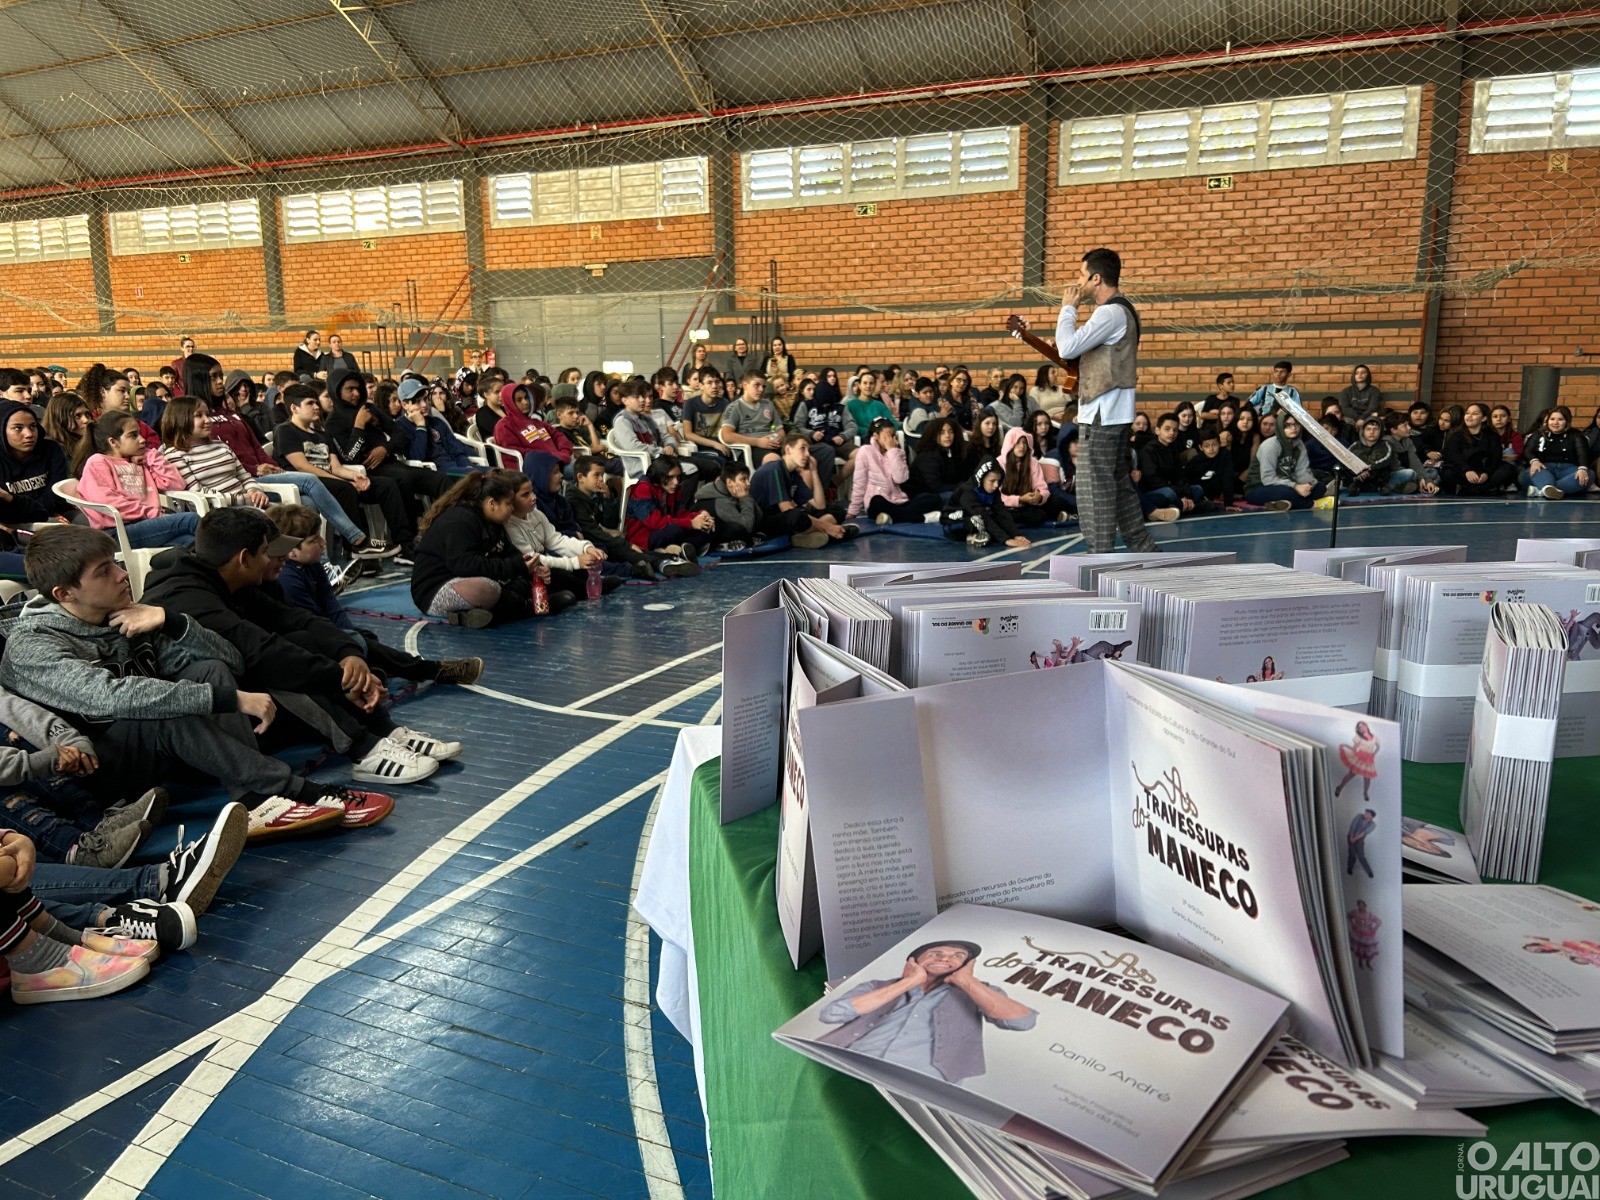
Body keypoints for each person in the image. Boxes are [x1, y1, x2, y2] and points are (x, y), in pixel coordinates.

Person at [0, 525, 380, 835]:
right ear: (64, 593)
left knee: (207, 672)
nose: (121, 574)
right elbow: (112, 697)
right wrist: (230, 700)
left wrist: (172, 621)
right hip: (89, 771)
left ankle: (253, 799)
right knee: (163, 711)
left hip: (157, 754)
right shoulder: (33, 644)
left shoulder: (123, 614)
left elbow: (228, 660)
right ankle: (287, 791)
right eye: (103, 572)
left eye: (115, 563)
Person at [141, 507, 448, 789]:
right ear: (244, 558)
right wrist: (343, 679)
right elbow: (262, 653)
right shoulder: (189, 598)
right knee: (275, 667)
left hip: (243, 706)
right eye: (265, 552)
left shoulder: (225, 579)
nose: (271, 558)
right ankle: (364, 749)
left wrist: (348, 654)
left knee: (301, 644)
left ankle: (384, 728)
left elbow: (295, 618)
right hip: (201, 734)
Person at [266, 503, 482, 686]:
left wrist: (349, 635)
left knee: (366, 639)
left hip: (320, 630)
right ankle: (432, 670)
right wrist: (347, 642)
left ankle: (375, 671)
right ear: (291, 550)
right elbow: (313, 624)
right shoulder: (287, 579)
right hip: (307, 642)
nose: (323, 544)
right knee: (364, 644)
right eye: (314, 541)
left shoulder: (311, 565)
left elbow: (331, 605)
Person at [1052, 247, 1159, 553]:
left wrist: (1067, 309)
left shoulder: (1109, 312)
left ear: (1096, 278)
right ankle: (1142, 548)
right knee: (1120, 486)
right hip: (1116, 415)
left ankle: (1100, 555)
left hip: (1101, 416)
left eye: (1081, 276)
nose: (1077, 283)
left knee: (1092, 490)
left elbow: (1066, 347)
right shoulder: (1124, 309)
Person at [817, 939, 1037, 1084]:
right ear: (914, 961)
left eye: (957, 955)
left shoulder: (979, 992)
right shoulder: (876, 986)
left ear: (966, 964)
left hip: (921, 1083)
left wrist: (968, 981)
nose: (945, 958)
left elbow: (1023, 1022)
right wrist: (909, 981)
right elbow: (830, 1014)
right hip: (849, 1066)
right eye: (936, 953)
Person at [322, 367, 450, 545]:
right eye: (349, 389)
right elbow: (350, 457)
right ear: (336, 391)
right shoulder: (333, 422)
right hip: (368, 471)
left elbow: (400, 434)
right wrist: (359, 426)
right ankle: (408, 542)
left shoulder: (368, 408)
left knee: (441, 480)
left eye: (358, 388)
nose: (356, 393)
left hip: (391, 463)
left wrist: (385, 448)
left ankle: (449, 531)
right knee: (403, 480)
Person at [410, 470, 546, 627]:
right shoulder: (460, 521)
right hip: (435, 590)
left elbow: (508, 553)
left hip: (464, 578)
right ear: (492, 504)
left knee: (518, 582)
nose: (512, 509)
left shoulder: (494, 523)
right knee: (488, 588)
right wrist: (514, 568)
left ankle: (474, 615)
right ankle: (527, 608)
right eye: (509, 504)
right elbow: (466, 565)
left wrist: (529, 565)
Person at [506, 451, 620, 600]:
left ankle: (580, 588)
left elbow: (556, 540)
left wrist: (586, 547)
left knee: (580, 566)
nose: (533, 497)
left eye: (532, 492)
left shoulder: (536, 513)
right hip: (532, 571)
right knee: (559, 572)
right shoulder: (510, 525)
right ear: (511, 500)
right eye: (525, 495)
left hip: (544, 561)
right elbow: (533, 559)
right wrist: (574, 562)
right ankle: (583, 591)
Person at [76, 414, 200, 549]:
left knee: (190, 541)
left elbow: (176, 484)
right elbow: (108, 503)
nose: (142, 440)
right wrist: (152, 513)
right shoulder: (98, 462)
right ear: (113, 442)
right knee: (191, 520)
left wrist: (149, 455)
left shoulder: (140, 461)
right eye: (133, 435)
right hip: (117, 532)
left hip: (148, 524)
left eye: (140, 434)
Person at [564, 456, 697, 579]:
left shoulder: (596, 493)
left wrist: (608, 498)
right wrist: (624, 543)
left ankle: (671, 558)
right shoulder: (574, 500)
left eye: (602, 475)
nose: (601, 479)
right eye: (596, 475)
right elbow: (592, 531)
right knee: (624, 550)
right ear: (581, 477)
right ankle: (662, 562)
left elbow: (610, 523)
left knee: (626, 549)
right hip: (590, 543)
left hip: (601, 539)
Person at [749, 434, 856, 549]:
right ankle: (823, 532)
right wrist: (827, 527)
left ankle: (804, 534)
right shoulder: (774, 469)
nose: (808, 454)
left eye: (808, 450)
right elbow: (786, 509)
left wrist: (814, 471)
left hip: (787, 518)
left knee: (837, 510)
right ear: (788, 449)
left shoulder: (794, 474)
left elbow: (820, 505)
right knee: (796, 515)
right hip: (766, 523)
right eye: (802, 448)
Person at [849, 418, 941, 525]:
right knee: (876, 501)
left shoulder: (898, 452)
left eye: (893, 436)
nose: (890, 440)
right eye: (886, 436)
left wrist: (892, 451)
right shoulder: (865, 451)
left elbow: (900, 479)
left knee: (933, 498)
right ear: (875, 436)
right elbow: (859, 483)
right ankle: (922, 518)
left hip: (899, 502)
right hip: (879, 504)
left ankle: (893, 517)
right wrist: (853, 511)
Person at [0, 400, 75, 528]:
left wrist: (41, 511)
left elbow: (57, 496)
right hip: (17, 522)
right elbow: (4, 512)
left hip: (54, 512)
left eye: (33, 426)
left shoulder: (51, 449)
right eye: (18, 428)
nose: (29, 434)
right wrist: (39, 513)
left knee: (94, 523)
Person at [625, 457, 715, 556]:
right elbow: (655, 522)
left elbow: (680, 514)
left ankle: (678, 550)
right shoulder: (643, 489)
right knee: (675, 530)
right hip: (644, 536)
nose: (676, 482)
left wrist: (700, 516)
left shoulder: (672, 490)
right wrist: (691, 523)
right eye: (670, 477)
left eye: (678, 477)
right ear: (659, 476)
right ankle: (682, 550)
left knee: (706, 529)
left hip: (666, 528)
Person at [1244, 413, 1326, 511]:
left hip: (1287, 484)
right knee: (1288, 492)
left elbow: (1302, 471)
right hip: (1259, 488)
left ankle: (1280, 503)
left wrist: (1308, 485)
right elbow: (1268, 479)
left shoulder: (1299, 445)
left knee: (1320, 487)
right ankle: (1312, 504)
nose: (1293, 428)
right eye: (1288, 425)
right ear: (1280, 426)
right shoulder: (1270, 445)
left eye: (1296, 424)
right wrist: (1295, 486)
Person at [791, 375, 856, 494]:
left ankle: (835, 482)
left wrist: (843, 436)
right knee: (827, 450)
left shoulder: (841, 408)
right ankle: (821, 491)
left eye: (828, 404)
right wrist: (811, 433)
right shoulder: (806, 405)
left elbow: (852, 427)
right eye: (822, 404)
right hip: (815, 442)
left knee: (860, 454)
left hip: (838, 439)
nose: (825, 406)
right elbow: (797, 426)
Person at [397, 378, 477, 473]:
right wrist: (421, 427)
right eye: (417, 402)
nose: (424, 405)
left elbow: (456, 450)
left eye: (425, 399)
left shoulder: (436, 421)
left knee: (495, 473)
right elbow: (417, 458)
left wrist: (469, 466)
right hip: (437, 474)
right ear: (404, 405)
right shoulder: (400, 426)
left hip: (457, 468)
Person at [998, 427, 1073, 526]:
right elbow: (996, 496)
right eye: (1018, 442)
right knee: (999, 513)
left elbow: (1042, 488)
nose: (1022, 446)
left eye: (1024, 442)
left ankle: (1025, 516)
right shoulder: (999, 463)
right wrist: (1019, 499)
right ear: (1010, 444)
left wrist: (1040, 497)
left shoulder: (1032, 462)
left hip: (1029, 504)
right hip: (1008, 504)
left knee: (1055, 501)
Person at [1441, 402, 1516, 496]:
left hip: (1484, 473)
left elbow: (1495, 457)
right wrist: (1467, 471)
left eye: (1474, 414)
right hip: (1464, 471)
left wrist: (1486, 473)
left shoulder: (1492, 436)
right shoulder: (1456, 435)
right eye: (1467, 413)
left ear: (1483, 418)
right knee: (1447, 473)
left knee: (1508, 469)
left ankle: (1475, 489)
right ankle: (1480, 489)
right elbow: (1453, 455)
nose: (1469, 416)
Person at [1521, 404, 1591, 499]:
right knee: (1533, 471)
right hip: (1544, 468)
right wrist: (1534, 461)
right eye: (1552, 419)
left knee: (1589, 474)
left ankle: (1542, 491)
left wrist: (1583, 469)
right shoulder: (1538, 433)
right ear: (1548, 420)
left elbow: (1582, 453)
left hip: (1568, 470)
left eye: (1560, 419)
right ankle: (1548, 488)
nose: (1555, 422)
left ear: (1567, 421)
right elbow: (1528, 450)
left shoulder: (1576, 434)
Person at [954, 459, 1028, 549]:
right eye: (992, 481)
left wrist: (1016, 534)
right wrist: (1006, 540)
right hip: (957, 523)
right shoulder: (968, 492)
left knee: (1000, 519)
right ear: (981, 479)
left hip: (979, 516)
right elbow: (982, 515)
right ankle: (972, 536)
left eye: (998, 481)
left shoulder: (993, 490)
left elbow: (1002, 512)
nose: (996, 485)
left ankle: (982, 535)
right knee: (979, 520)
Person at [1134, 413, 1192, 522]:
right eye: (1167, 429)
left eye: (1175, 430)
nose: (1172, 433)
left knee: (1197, 489)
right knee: (1168, 493)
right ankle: (1187, 506)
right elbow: (1154, 480)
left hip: (1172, 489)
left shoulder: (1173, 449)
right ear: (1157, 431)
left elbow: (1180, 475)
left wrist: (1186, 495)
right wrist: (1179, 493)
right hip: (1153, 491)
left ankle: (1181, 505)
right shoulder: (1148, 450)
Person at [720, 373, 786, 466]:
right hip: (750, 449)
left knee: (802, 456)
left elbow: (781, 432)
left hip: (772, 445)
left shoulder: (768, 404)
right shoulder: (734, 407)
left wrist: (773, 439)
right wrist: (758, 442)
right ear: (745, 385)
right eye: (756, 385)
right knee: (774, 460)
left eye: (763, 386)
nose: (761, 390)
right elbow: (727, 436)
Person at [698, 461, 763, 551]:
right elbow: (748, 527)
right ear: (729, 482)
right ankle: (721, 545)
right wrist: (745, 499)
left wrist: (746, 497)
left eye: (748, 479)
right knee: (737, 529)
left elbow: (759, 517)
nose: (748, 483)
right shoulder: (720, 501)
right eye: (743, 479)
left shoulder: (732, 492)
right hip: (708, 535)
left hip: (728, 527)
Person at [909, 416, 972, 504]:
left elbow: (961, 475)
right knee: (962, 495)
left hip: (945, 491)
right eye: (942, 433)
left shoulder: (953, 451)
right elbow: (935, 486)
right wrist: (961, 487)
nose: (947, 436)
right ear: (933, 435)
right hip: (926, 496)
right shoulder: (927, 456)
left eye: (951, 432)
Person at [1347, 415, 1416, 495]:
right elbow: (1347, 459)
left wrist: (1367, 469)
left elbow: (1385, 460)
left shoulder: (1386, 444)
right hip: (1360, 477)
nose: (1371, 432)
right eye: (1368, 429)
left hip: (1381, 479)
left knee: (1410, 473)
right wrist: (1357, 472)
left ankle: (1383, 488)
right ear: (1363, 431)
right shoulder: (1355, 445)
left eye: (1375, 429)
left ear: (1380, 431)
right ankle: (1394, 488)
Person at [42, 393, 91, 469]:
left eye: (87, 414)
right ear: (60, 418)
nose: (86, 420)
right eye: (77, 416)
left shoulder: (92, 441)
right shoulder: (51, 450)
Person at [1336, 721, 1380, 804]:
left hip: (1368, 758)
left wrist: (1374, 754)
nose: (1362, 727)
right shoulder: (1359, 737)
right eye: (1359, 727)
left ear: (1366, 726)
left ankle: (1365, 793)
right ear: (1359, 730)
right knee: (1351, 774)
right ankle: (1340, 787)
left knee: (1367, 777)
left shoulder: (1374, 737)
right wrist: (1345, 745)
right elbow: (1354, 748)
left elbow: (1378, 746)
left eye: (1363, 725)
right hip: (1359, 756)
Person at [1346, 808, 1376, 879]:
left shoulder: (1373, 825)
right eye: (1365, 812)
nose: (1365, 814)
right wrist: (1351, 837)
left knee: (1361, 856)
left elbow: (1363, 833)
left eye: (1367, 813)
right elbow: (1353, 826)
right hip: (1351, 835)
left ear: (1371, 816)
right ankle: (1350, 868)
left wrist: (1355, 839)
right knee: (1352, 854)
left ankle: (1369, 872)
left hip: (1359, 840)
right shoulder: (1359, 816)